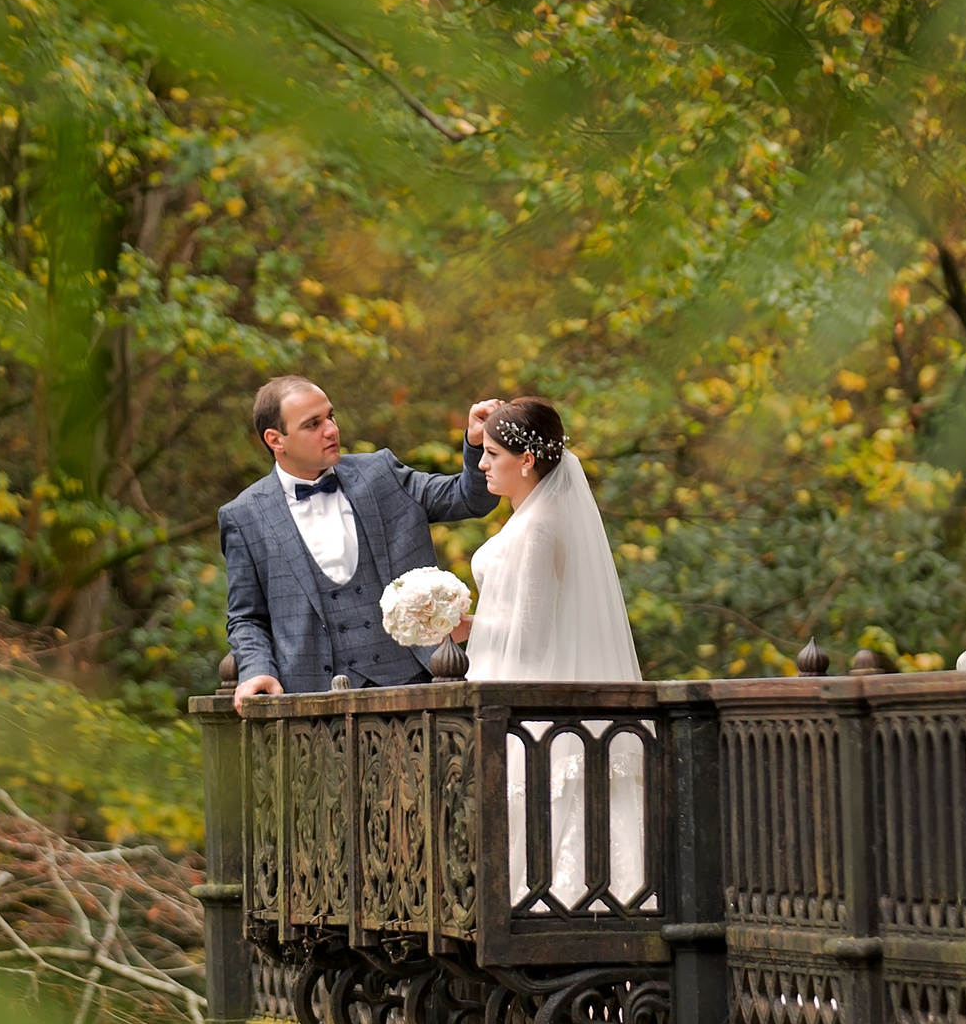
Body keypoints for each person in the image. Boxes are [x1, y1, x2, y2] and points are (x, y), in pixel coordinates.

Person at [455, 397, 647, 911]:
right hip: (521, 691)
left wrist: (463, 625)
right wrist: (470, 624)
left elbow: (534, 635)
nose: (481, 464)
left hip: (529, 704)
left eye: (492, 454)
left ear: (526, 460)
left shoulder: (540, 526)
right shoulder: (538, 515)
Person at [220, 376, 498, 703]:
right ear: (275, 439)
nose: (331, 430)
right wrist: (256, 669)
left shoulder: (381, 474)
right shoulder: (243, 515)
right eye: (313, 424)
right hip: (310, 705)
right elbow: (247, 617)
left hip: (414, 687)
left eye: (330, 416)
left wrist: (477, 443)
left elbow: (468, 498)